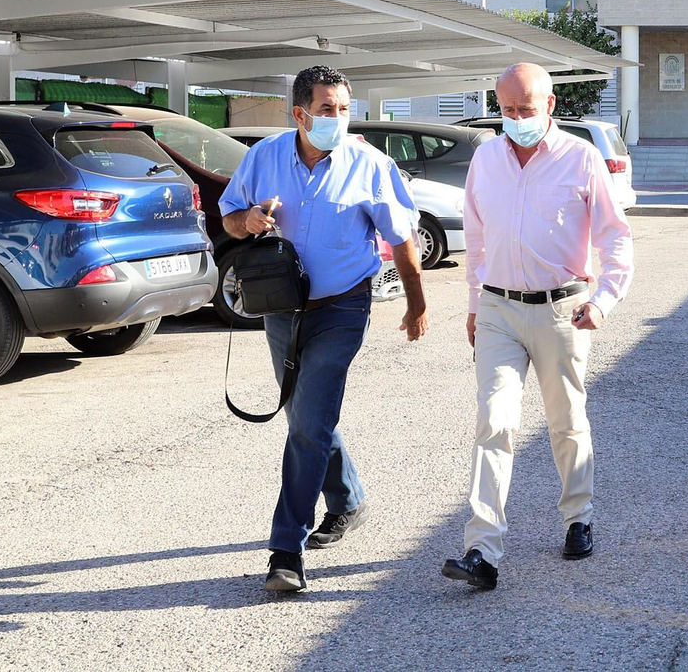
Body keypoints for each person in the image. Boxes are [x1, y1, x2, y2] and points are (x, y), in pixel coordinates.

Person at [219, 65, 428, 595]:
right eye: (327, 109)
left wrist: (416, 301)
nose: (338, 118)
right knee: (308, 416)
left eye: (343, 108)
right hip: (280, 307)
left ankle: (285, 549)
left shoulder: (370, 165)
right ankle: (348, 500)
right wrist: (248, 222)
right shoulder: (263, 157)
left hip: (342, 307)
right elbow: (228, 216)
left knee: (308, 420)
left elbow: (401, 236)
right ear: (299, 113)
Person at [444, 63, 634, 591]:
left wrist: (604, 301)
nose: (516, 119)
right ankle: (482, 550)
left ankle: (579, 515)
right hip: (500, 310)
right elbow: (477, 239)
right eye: (507, 110)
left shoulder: (581, 158)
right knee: (493, 422)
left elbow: (616, 237)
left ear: (549, 106)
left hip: (563, 309)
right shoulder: (486, 158)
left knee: (565, 420)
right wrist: (475, 305)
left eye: (525, 109)